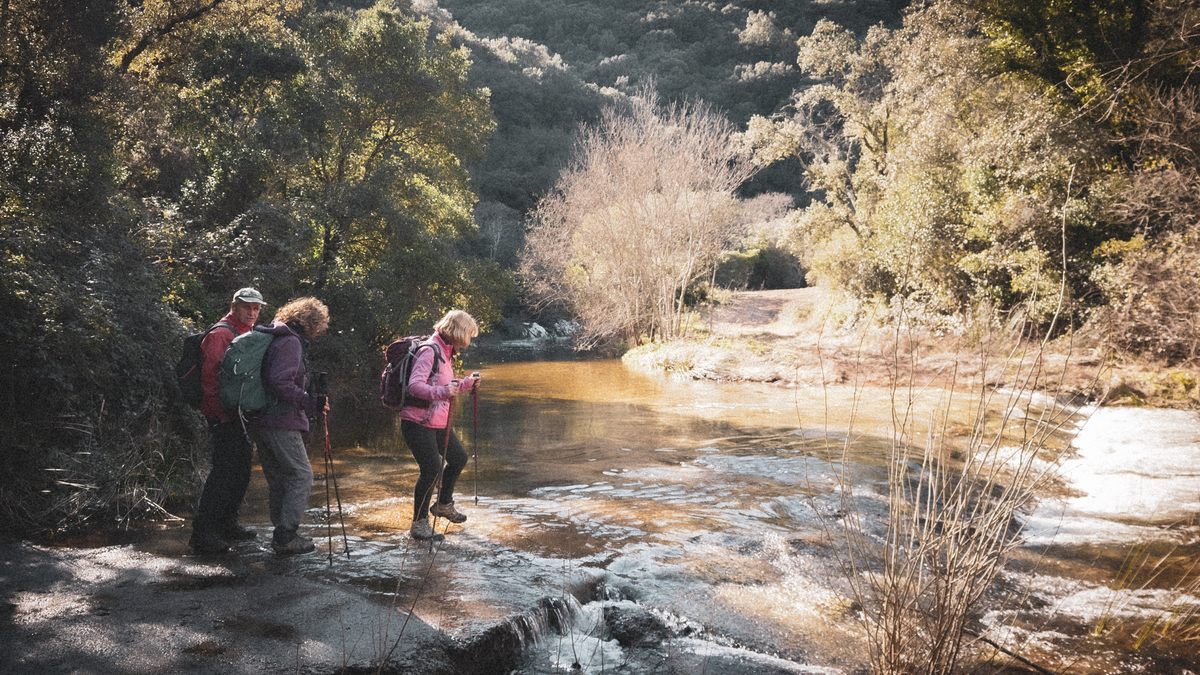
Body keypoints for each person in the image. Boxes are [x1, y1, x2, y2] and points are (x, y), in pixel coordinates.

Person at [249, 297, 330, 555]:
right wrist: (309, 401)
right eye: (320, 324)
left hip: (262, 418)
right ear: (312, 322)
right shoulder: (291, 342)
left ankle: (281, 533)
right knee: (301, 475)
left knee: (279, 478)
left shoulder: (274, 336)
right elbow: (280, 381)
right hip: (280, 419)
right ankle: (285, 535)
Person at [190, 287, 267, 555]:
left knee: (241, 470)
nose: (252, 312)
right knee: (223, 473)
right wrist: (220, 415)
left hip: (239, 415)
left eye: (256, 308)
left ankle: (227, 524)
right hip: (223, 416)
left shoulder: (245, 333)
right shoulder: (221, 334)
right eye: (247, 307)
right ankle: (204, 533)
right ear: (234, 306)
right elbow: (210, 381)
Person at [398, 310, 480, 540]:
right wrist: (443, 392)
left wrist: (466, 384)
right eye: (468, 335)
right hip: (417, 422)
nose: (468, 341)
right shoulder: (429, 351)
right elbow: (415, 386)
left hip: (437, 422)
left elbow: (445, 385)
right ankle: (419, 524)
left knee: (459, 458)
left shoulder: (445, 352)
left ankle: (443, 504)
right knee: (431, 469)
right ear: (457, 331)